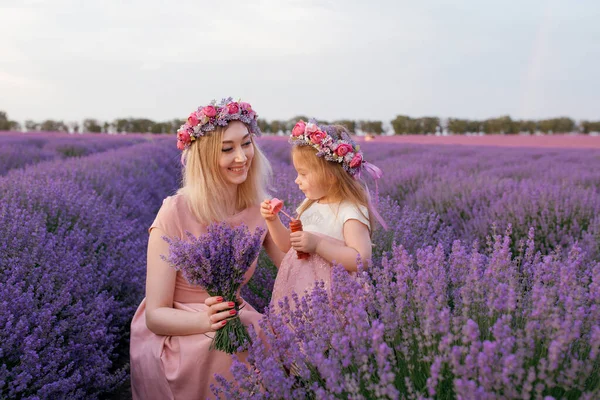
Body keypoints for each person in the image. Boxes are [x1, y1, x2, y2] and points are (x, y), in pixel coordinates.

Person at [130, 98, 284, 400]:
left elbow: (294, 264)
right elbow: (155, 315)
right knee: (221, 353)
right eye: (227, 149)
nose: (242, 157)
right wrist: (206, 321)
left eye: (247, 144)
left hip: (234, 317)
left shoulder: (258, 207)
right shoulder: (174, 211)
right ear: (204, 157)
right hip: (178, 330)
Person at [261, 120, 385, 311]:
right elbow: (288, 245)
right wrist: (272, 220)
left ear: (330, 176)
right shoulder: (308, 205)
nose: (296, 180)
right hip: (299, 292)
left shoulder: (349, 211)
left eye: (303, 174)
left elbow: (362, 259)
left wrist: (318, 245)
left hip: (335, 298)